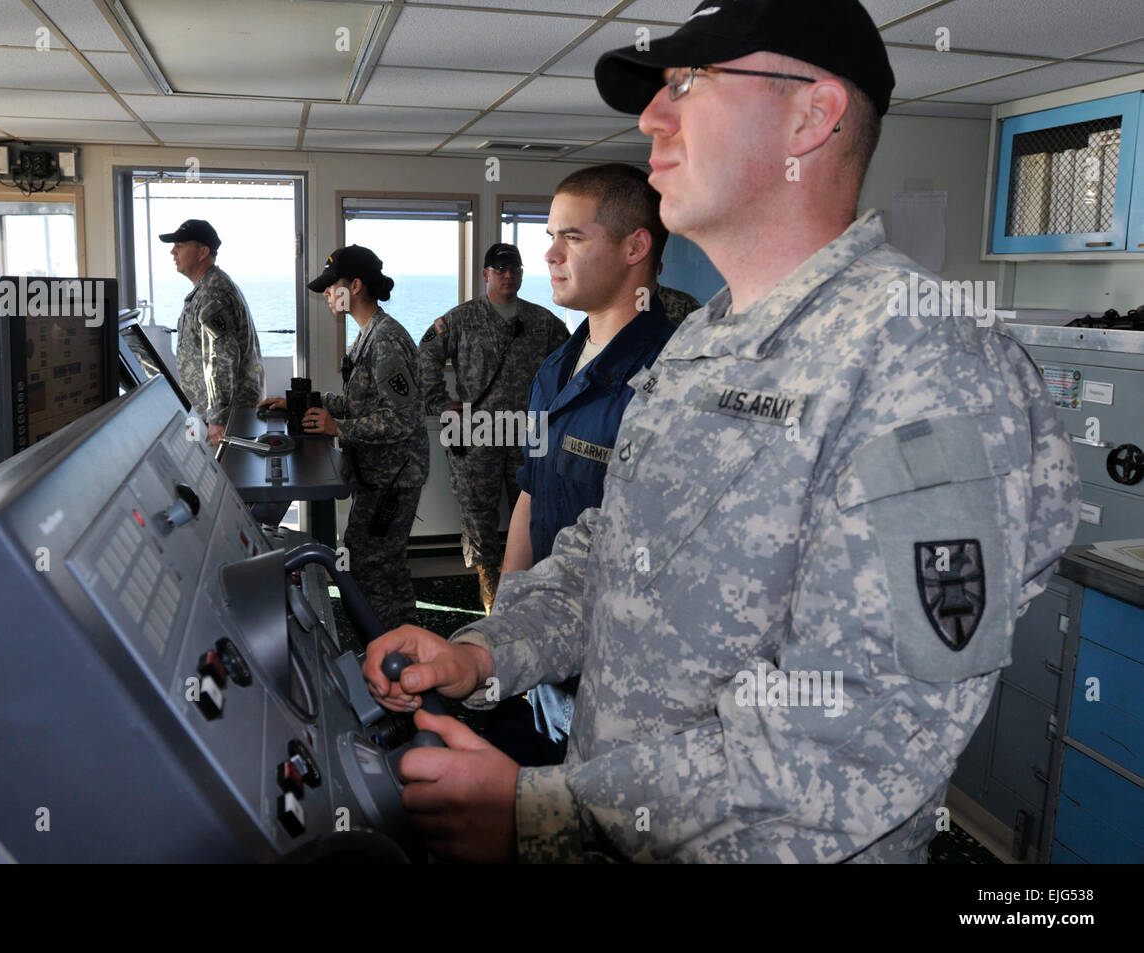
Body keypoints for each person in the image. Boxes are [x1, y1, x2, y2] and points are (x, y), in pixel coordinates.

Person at [362, 0, 1080, 863]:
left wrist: (545, 813)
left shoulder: (929, 364)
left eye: (689, 85)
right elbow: (612, 556)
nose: (652, 118)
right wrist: (483, 652)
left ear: (811, 116)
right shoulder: (705, 338)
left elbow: (865, 742)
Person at [490, 163, 675, 767]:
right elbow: (530, 497)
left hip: (618, 673)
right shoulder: (555, 369)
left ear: (634, 247)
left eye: (572, 237)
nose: (548, 254)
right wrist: (506, 623)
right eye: (550, 235)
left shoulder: (672, 376)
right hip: (544, 646)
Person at [258, 246, 428, 632]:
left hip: (392, 479)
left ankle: (387, 650)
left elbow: (403, 420)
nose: (326, 295)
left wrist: (338, 428)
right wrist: (298, 405)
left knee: (368, 564)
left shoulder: (386, 341)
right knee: (386, 564)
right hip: (378, 475)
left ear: (354, 285)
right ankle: (406, 641)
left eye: (332, 287)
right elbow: (357, 402)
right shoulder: (367, 335)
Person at [418, 243, 570, 614]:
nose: (508, 275)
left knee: (535, 516)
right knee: (480, 522)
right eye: (499, 269)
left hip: (528, 435)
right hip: (477, 436)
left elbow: (570, 363)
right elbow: (426, 355)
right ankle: (491, 603)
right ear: (486, 274)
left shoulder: (543, 321)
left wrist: (557, 409)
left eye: (514, 269)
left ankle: (528, 597)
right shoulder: (460, 319)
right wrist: (441, 404)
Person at [159, 219, 264, 446]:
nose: (172, 251)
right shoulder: (207, 288)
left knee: (215, 476)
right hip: (206, 412)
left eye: (180, 245)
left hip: (219, 419)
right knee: (197, 466)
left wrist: (218, 417)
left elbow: (222, 358)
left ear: (202, 252)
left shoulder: (212, 294)